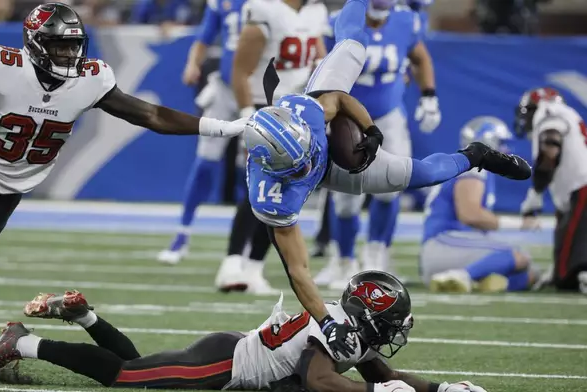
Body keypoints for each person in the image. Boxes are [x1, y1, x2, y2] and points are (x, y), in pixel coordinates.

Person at [242, 0, 531, 361]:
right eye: (300, 161)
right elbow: (298, 270)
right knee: (355, 202)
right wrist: (328, 323)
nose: (308, 160)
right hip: (335, 171)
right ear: (277, 167)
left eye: (308, 151)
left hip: (349, 128)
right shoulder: (273, 197)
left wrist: (371, 129)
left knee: (424, 171)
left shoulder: (309, 110)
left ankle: (478, 155)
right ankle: (344, 256)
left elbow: (340, 99)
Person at [0, 2, 245, 281]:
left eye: (73, 45)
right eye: (60, 46)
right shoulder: (2, 67)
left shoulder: (90, 79)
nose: (69, 54)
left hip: (13, 189)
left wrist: (222, 127)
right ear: (35, 44)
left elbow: (151, 115)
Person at [0, 271, 488, 392]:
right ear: (370, 313)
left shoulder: (354, 330)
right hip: (220, 366)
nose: (394, 330)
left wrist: (439, 389)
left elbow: (379, 373)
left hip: (228, 355)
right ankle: (21, 342)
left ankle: (86, 317)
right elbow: (318, 379)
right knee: (124, 377)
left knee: (139, 369)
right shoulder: (339, 327)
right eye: (392, 320)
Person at [315, 0, 440, 289]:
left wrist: (429, 95)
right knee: (346, 198)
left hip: (389, 116)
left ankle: (376, 256)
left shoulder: (407, 20)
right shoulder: (343, 20)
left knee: (392, 186)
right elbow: (322, 66)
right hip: (349, 121)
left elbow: (420, 57)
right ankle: (343, 261)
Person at [212, 0, 328, 295]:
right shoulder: (264, 10)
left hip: (297, 115)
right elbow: (240, 72)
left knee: (284, 193)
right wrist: (249, 118)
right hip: (266, 112)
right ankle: (232, 263)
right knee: (257, 188)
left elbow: (322, 63)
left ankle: (254, 268)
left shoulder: (316, 12)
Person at [157, 0, 248, 265]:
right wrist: (193, 63)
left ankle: (245, 242)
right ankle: (182, 234)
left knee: (251, 170)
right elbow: (205, 36)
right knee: (205, 162)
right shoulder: (223, 3)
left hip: (256, 93)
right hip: (224, 87)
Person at [421, 116, 537, 293]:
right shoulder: (474, 167)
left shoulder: (468, 167)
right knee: (517, 256)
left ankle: (475, 280)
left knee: (528, 275)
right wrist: (519, 224)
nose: (506, 150)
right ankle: (462, 276)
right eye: (501, 143)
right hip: (444, 243)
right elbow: (470, 214)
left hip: (450, 249)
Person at [516, 87, 587, 293]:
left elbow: (551, 146)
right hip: (577, 186)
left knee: (568, 277)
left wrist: (536, 192)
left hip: (582, 186)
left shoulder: (547, 112)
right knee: (563, 269)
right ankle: (562, 271)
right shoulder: (569, 114)